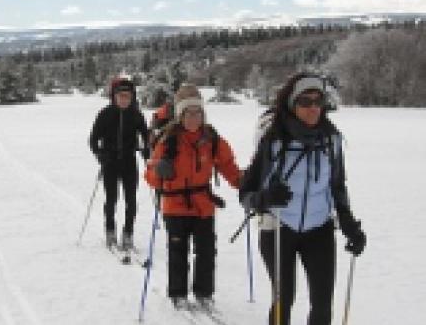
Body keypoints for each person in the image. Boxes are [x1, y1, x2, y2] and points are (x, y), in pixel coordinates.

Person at [239, 72, 367, 325]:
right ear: (291, 103)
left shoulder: (331, 140)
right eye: (305, 102)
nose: (313, 108)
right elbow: (246, 193)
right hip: (278, 227)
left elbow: (338, 186)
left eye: (318, 101)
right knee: (283, 299)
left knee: (322, 303)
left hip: (319, 228)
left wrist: (349, 224)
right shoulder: (273, 140)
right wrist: (264, 199)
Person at [144, 84, 242, 309]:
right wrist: (158, 171)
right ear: (180, 114)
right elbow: (150, 175)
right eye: (189, 113)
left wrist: (243, 183)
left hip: (203, 205)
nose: (194, 117)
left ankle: (204, 292)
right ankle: (178, 293)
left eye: (198, 112)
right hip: (174, 204)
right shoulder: (167, 140)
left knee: (206, 251)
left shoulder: (211, 138)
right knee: (178, 252)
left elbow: (227, 165)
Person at [89, 77, 150, 249]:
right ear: (114, 97)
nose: (124, 99)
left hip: (129, 162)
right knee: (111, 199)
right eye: (121, 96)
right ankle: (110, 230)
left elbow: (146, 137)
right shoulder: (105, 114)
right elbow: (93, 139)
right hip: (110, 162)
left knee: (131, 200)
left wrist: (147, 150)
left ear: (132, 97)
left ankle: (128, 233)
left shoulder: (136, 115)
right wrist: (100, 154)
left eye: (127, 96)